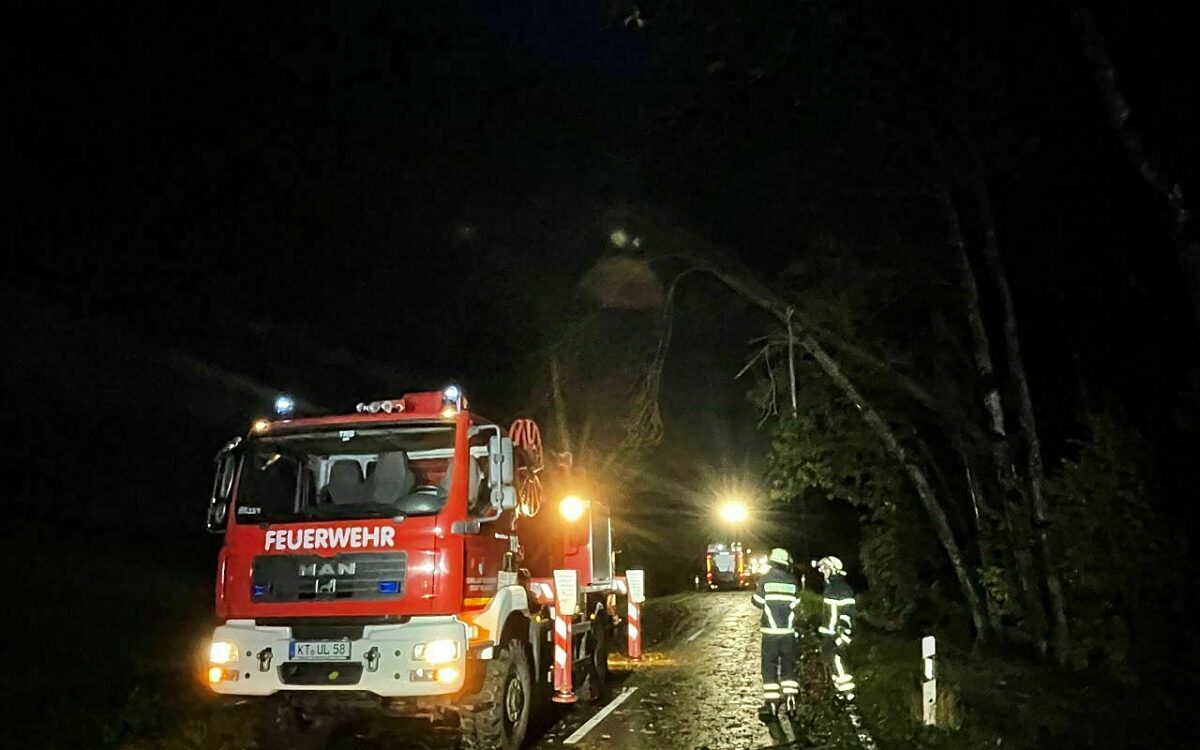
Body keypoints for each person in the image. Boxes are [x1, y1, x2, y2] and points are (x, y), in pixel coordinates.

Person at [752, 547, 802, 721]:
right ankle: (790, 699)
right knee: (789, 666)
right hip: (788, 633)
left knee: (769, 667)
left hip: (770, 634)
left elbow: (757, 602)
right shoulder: (792, 581)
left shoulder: (765, 579)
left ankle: (772, 703)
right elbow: (796, 603)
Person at [814, 555, 856, 699]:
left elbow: (847, 613)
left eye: (825, 568)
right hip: (829, 635)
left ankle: (849, 695)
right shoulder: (830, 587)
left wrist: (842, 634)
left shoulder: (841, 588)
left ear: (833, 570)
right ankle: (840, 695)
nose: (822, 571)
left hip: (838, 635)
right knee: (831, 663)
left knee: (838, 662)